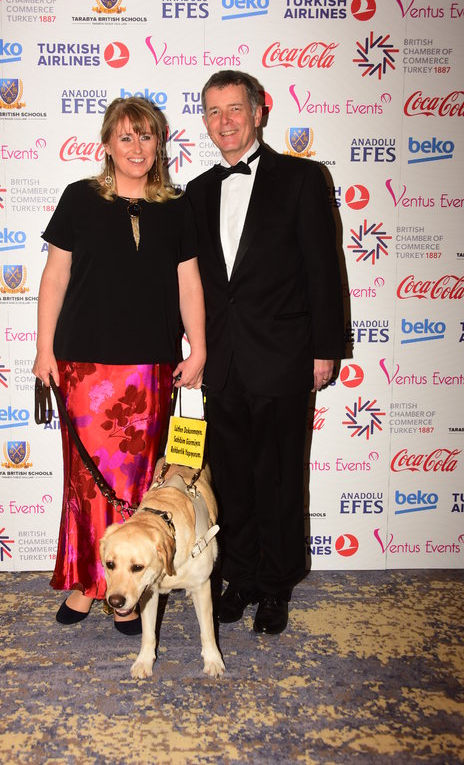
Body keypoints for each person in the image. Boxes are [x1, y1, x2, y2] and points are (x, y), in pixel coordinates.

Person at [33, 96, 205, 633]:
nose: (136, 146)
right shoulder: (79, 198)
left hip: (149, 367)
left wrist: (198, 348)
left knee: (137, 484)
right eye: (125, 136)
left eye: (146, 136)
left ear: (159, 144)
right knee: (86, 484)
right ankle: (88, 584)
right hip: (83, 366)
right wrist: (43, 349)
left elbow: (189, 283)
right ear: (107, 144)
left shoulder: (177, 206)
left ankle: (132, 588)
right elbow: (55, 277)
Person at [186, 70, 344, 635]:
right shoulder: (196, 191)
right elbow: (191, 281)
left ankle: (277, 585)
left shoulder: (301, 178)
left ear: (258, 113)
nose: (224, 121)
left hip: (283, 355)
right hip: (222, 360)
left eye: (234, 109)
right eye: (213, 111)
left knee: (278, 479)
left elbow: (323, 268)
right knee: (230, 480)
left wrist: (325, 349)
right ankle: (242, 576)